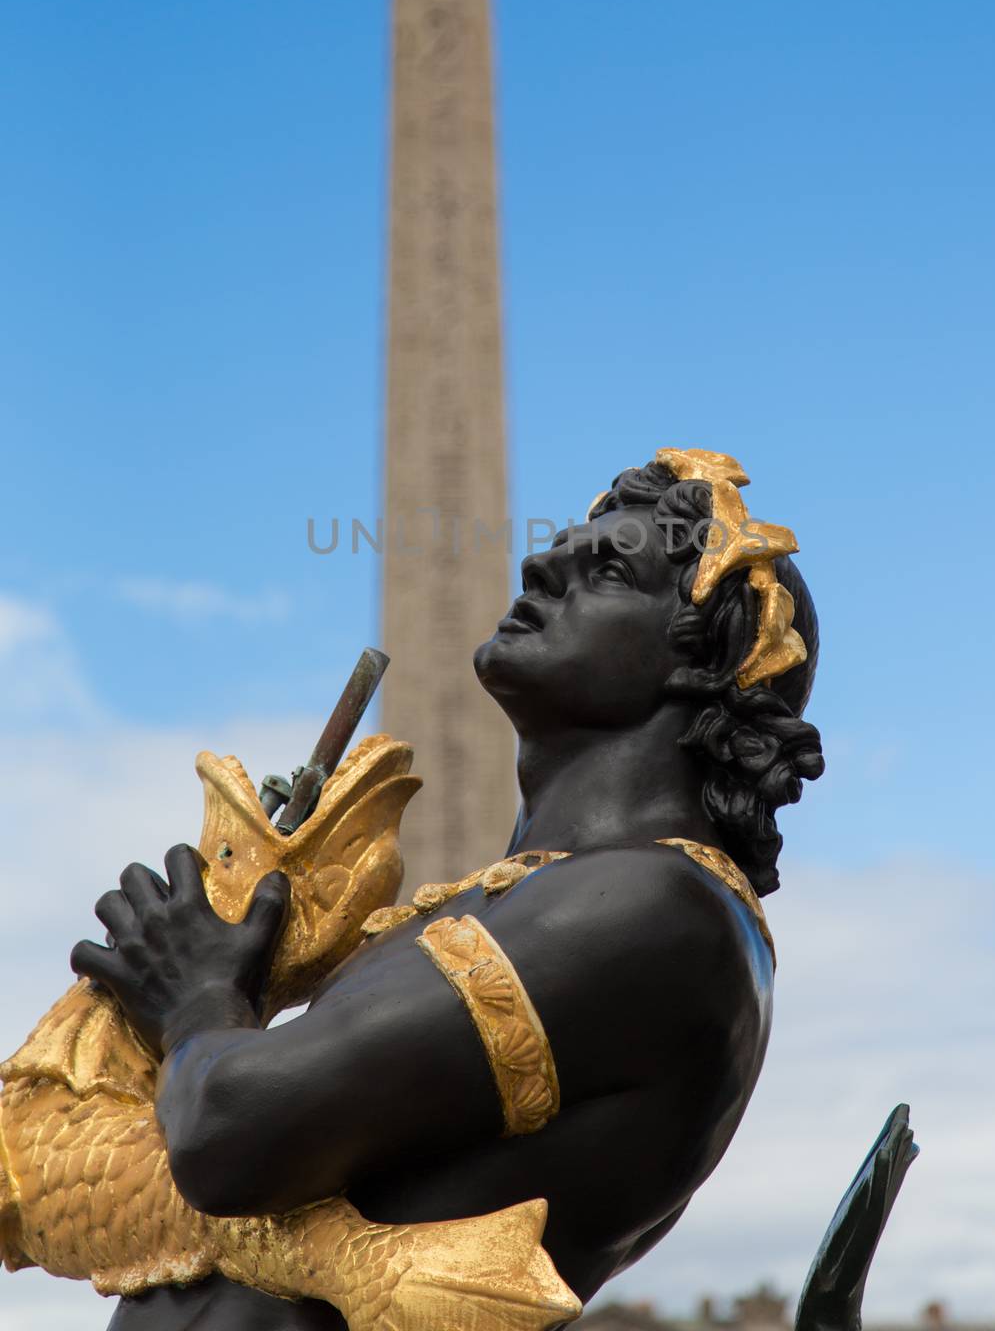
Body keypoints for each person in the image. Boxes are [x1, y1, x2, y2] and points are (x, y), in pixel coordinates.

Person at [73, 450, 826, 1329]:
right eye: (564, 547)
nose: (542, 563)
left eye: (609, 569)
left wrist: (199, 993)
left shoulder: (657, 910)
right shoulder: (547, 894)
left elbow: (231, 1136)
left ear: (701, 664)